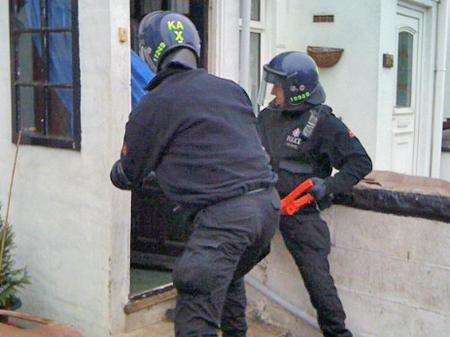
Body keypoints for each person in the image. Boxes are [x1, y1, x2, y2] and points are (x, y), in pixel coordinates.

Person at [110, 11, 280, 337]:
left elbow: (128, 175)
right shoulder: (231, 90)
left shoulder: (154, 103)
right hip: (266, 211)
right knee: (228, 279)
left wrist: (119, 169)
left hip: (224, 220)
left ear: (149, 53)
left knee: (195, 307)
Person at [257, 51, 372, 337]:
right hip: (263, 205)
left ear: (296, 90)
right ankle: (210, 314)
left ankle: (337, 333)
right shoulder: (268, 116)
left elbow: (360, 162)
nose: (272, 91)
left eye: (278, 85)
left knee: (318, 282)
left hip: (300, 213)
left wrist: (328, 186)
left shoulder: (324, 122)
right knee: (229, 258)